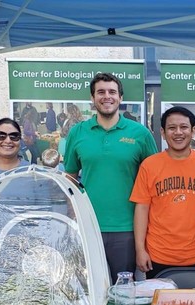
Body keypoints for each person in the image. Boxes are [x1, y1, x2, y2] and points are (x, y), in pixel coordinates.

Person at [64, 72, 158, 283]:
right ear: (92, 98)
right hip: (89, 224)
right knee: (90, 286)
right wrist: (73, 214)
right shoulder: (77, 133)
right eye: (101, 92)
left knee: (124, 288)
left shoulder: (140, 133)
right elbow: (69, 176)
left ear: (121, 98)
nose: (107, 96)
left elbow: (154, 177)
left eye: (112, 92)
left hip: (127, 227)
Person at [130, 106, 195, 278]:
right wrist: (140, 249)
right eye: (172, 128)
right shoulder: (149, 165)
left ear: (193, 130)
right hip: (159, 255)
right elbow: (142, 209)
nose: (178, 132)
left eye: (184, 127)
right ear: (162, 132)